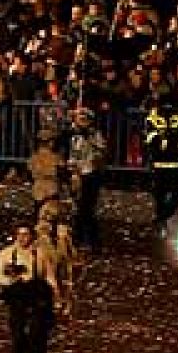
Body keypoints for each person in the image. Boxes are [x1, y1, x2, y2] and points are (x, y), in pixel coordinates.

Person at [0, 221, 57, 353]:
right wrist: (10, 280)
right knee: (18, 333)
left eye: (26, 234)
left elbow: (49, 276)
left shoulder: (40, 254)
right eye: (19, 234)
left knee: (37, 332)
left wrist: (56, 295)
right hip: (17, 297)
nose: (22, 238)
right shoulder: (7, 253)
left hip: (36, 296)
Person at [67, 107, 108, 250]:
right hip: (77, 175)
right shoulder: (74, 136)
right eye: (79, 120)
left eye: (84, 120)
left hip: (91, 175)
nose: (81, 123)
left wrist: (90, 141)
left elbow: (101, 152)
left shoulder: (95, 135)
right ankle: (78, 240)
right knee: (79, 209)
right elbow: (72, 155)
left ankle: (93, 241)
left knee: (87, 209)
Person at [146, 105, 178, 237]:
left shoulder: (177, 121)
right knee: (160, 197)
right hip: (159, 166)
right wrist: (164, 135)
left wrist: (169, 134)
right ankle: (160, 224)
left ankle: (160, 219)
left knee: (177, 197)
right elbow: (151, 140)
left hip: (175, 166)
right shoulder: (153, 119)